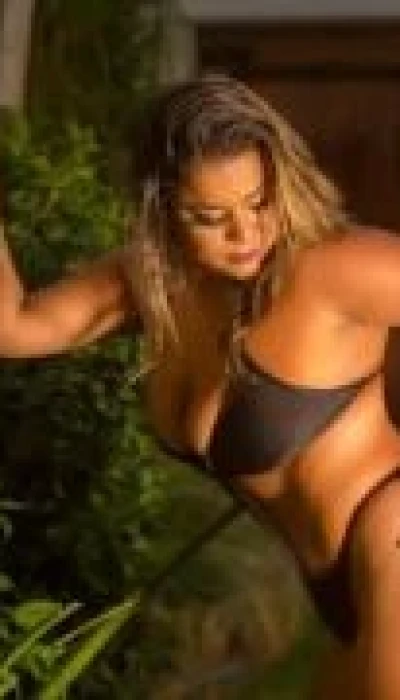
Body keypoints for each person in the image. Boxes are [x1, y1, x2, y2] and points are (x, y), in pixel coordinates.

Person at [2, 72, 400, 698]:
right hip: (339, 595)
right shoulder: (155, 286)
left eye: (260, 203)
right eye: (210, 217)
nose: (245, 235)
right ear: (161, 210)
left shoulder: (334, 266)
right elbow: (16, 329)